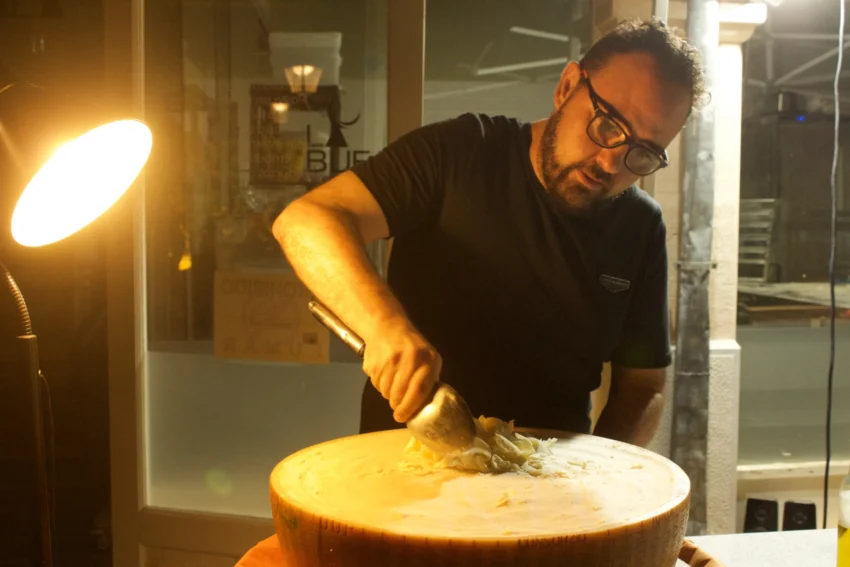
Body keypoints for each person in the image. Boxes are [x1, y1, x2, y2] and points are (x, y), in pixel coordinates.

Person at [273, 18, 706, 448]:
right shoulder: (459, 153)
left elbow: (643, 386)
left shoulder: (639, 226)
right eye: (609, 124)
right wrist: (385, 327)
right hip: (405, 466)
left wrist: (605, 476)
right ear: (568, 85)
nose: (613, 163)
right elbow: (307, 219)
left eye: (644, 152)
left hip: (549, 487)